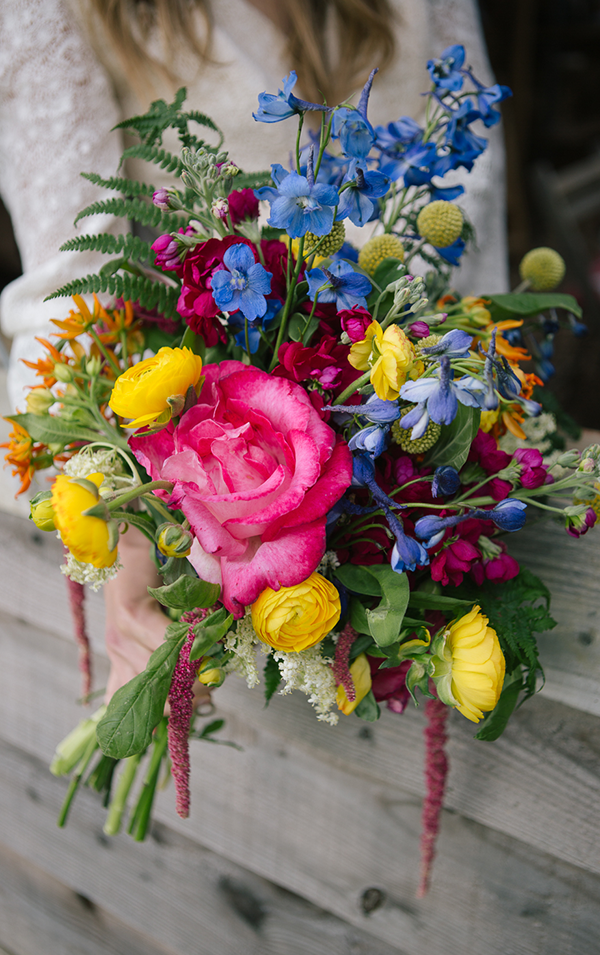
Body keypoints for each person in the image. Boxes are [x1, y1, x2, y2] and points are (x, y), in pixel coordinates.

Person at [0, 0, 509, 701]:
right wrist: (120, 522)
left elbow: (475, 187)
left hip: (409, 447)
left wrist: (463, 407)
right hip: (201, 476)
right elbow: (70, 289)